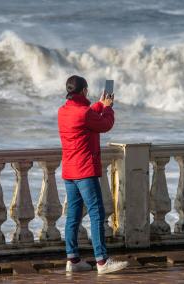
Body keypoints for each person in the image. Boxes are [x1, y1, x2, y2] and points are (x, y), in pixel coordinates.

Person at [58, 75, 128, 274]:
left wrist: (99, 104)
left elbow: (87, 115)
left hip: (69, 171)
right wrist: (108, 107)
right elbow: (105, 124)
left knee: (73, 216)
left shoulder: (63, 111)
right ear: (83, 91)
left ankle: (72, 259)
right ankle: (102, 261)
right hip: (85, 171)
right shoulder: (84, 113)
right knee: (97, 213)